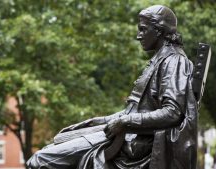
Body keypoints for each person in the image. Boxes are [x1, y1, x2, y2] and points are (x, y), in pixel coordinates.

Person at [27, 5, 198, 169]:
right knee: (59, 141)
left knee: (40, 160)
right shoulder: (161, 60)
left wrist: (124, 121)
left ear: (159, 31)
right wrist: (102, 120)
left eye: (143, 29)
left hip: (135, 144)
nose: (139, 35)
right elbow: (137, 110)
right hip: (127, 136)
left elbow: (173, 113)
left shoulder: (174, 61)